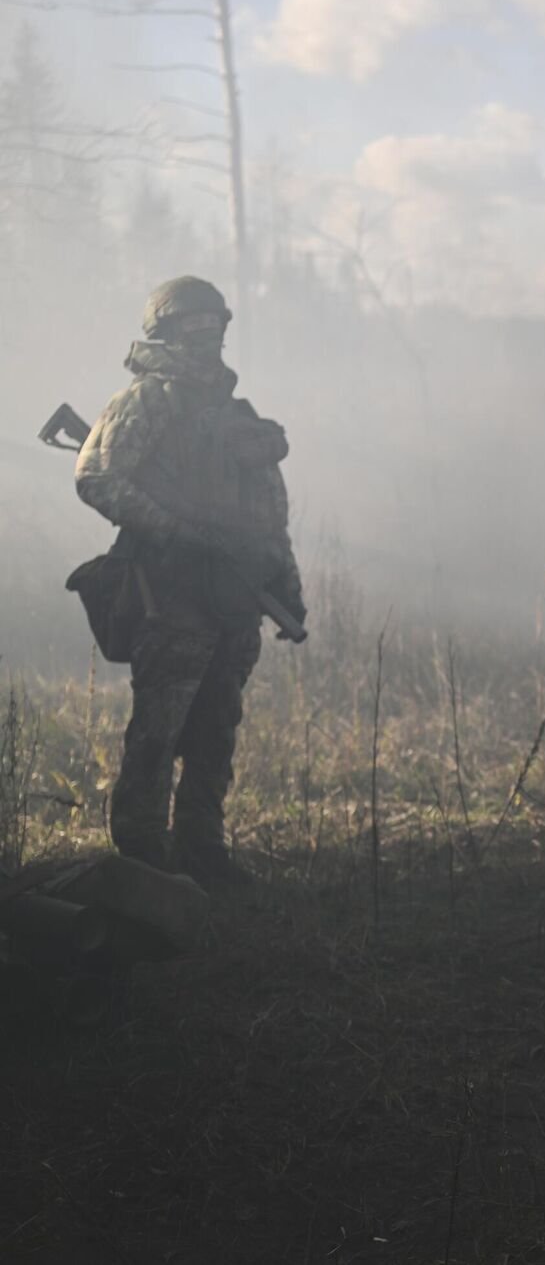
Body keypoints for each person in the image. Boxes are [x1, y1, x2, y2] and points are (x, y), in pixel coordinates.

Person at [74, 276, 303, 888]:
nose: (209, 338)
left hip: (232, 598)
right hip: (170, 595)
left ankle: (203, 849)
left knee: (215, 731)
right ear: (167, 331)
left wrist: (285, 579)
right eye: (195, 326)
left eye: (216, 326)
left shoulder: (235, 416)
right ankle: (144, 862)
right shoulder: (146, 401)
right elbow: (96, 477)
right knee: (157, 732)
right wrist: (173, 529)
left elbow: (269, 509)